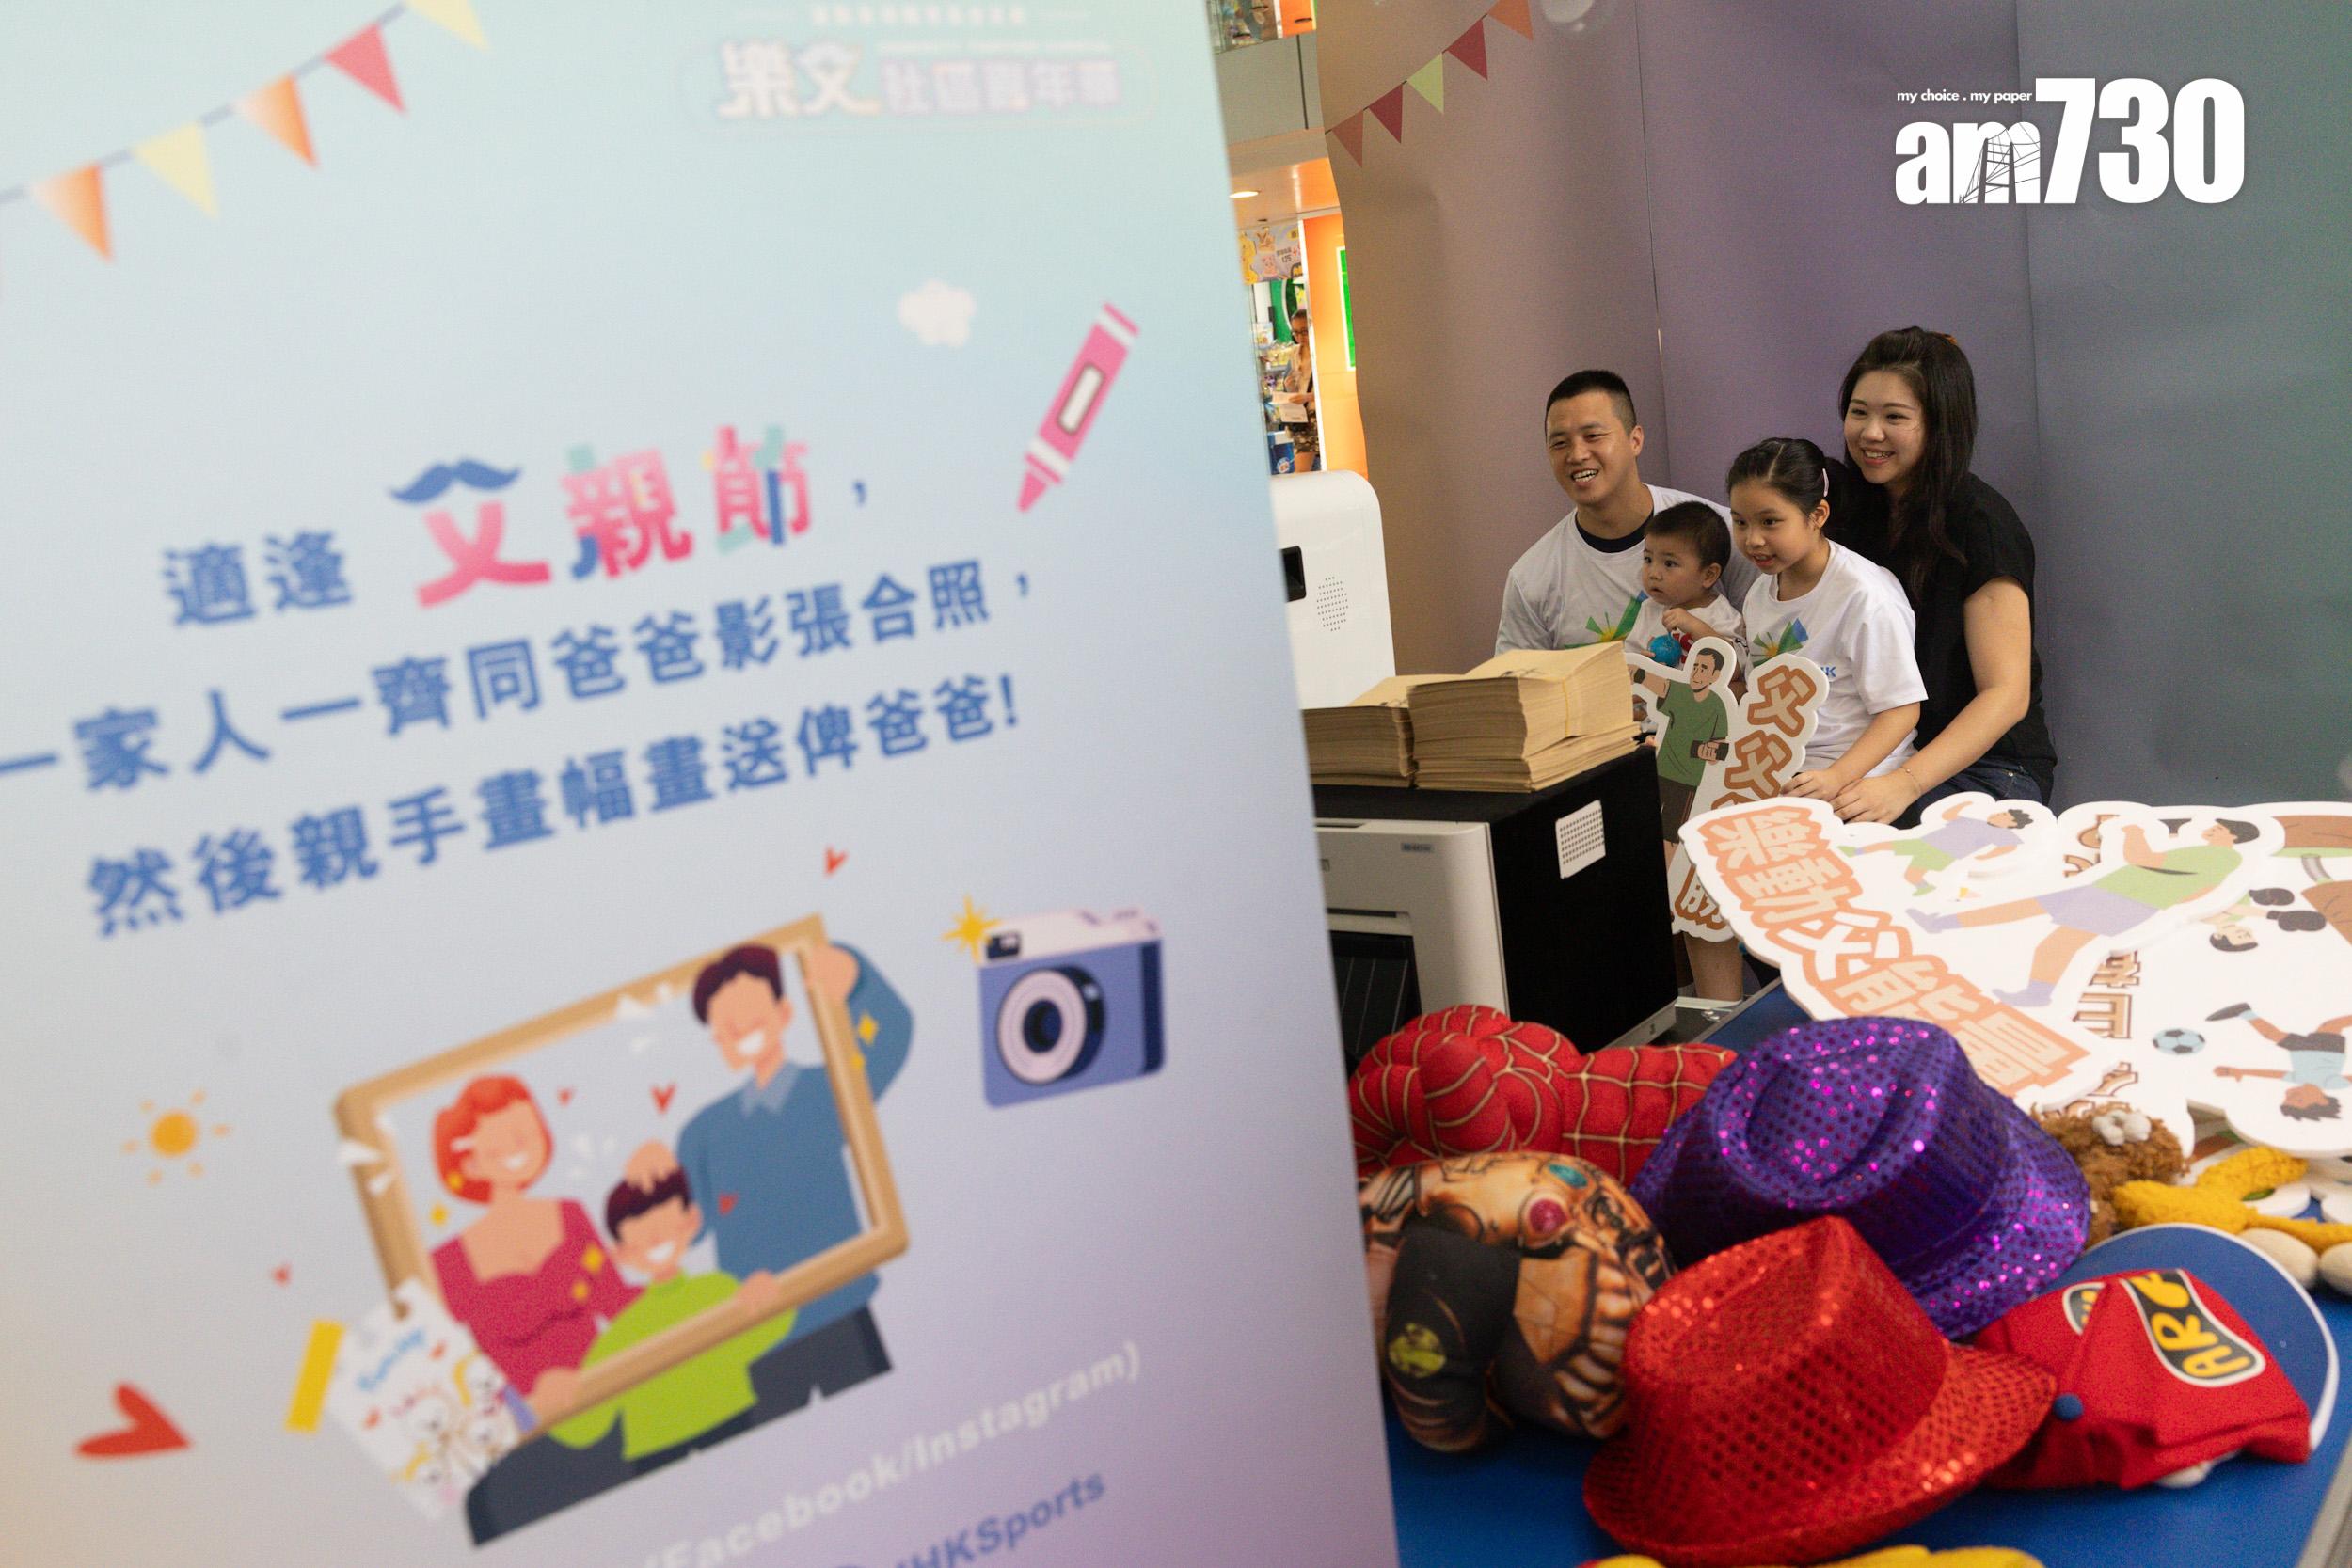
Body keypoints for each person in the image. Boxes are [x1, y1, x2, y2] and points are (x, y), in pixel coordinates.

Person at [625, 941, 913, 1414]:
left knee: (882, 1417)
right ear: (716, 1041)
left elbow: (887, 1043)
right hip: (761, 1333)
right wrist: (655, 1185)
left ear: (784, 1013)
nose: (740, 1032)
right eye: (725, 1027)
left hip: (841, 1309)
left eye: (749, 1016)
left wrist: (856, 980)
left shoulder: (822, 1093)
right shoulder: (704, 1133)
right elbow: (688, 1227)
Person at [1827, 328, 2058, 824]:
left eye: (1895, 417)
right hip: (1881, 749)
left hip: (1989, 767)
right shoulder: (1850, 507)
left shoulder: (1982, 524)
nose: (1870, 433)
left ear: (1940, 424)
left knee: (1850, 838)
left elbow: (2006, 695)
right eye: (1859, 412)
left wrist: (1902, 784)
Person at [1498, 370, 1759, 654]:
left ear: (1635, 440)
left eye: (1593, 435)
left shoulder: (1723, 533)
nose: (1577, 455)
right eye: (1560, 443)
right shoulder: (1530, 580)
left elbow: (1767, 649)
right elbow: (1519, 681)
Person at [548, 1170, 796, 1470]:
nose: (655, 1238)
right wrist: (559, 1398)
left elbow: (767, 1332)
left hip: (733, 1425)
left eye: (665, 1224)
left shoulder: (715, 1290)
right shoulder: (621, 1334)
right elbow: (587, 1427)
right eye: (640, 1235)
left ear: (691, 1220)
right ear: (621, 1254)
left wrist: (768, 1293)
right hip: (657, 1456)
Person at [1727, 436, 1925, 807]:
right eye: (1740, 522)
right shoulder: (1759, 593)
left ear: (1817, 515)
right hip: (1778, 773)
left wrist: (1836, 777)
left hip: (1858, 781)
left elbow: (1900, 711)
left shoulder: (1866, 596)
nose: (1752, 540)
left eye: (1770, 522)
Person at [429, 1075, 637, 1422]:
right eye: (498, 1142)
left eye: (526, 1132)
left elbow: (615, 1301)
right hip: (523, 1426)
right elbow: (444, 1368)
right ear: (470, 1164)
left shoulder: (570, 1215)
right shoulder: (450, 1261)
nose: (517, 1147)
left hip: (605, 1399)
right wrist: (520, 1400)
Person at [1912, 820, 2258, 1007]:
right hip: (2116, 891)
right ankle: (1938, 923)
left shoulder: (2221, 857)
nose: (2211, 828)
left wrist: (2134, 833)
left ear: (2233, 835)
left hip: (2125, 898)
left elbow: (2143, 860)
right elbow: (2192, 887)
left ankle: (2037, 995)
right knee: (2021, 908)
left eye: (2219, 828)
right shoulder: (2215, 857)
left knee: (2057, 943)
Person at [1630, 643, 1741, 1000]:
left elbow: (1722, 746)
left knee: (1670, 838)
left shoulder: (1717, 705)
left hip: (1688, 782)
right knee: (1645, 832)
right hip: (1658, 772)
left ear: (1716, 675)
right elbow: (1652, 681)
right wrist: (1631, 670)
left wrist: (1707, 750)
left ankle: (1664, 893)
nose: (1697, 673)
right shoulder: (1679, 692)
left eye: (1704, 669)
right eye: (1695, 667)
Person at [1625, 501, 1747, 672]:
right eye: (1648, 559)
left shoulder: (1721, 615)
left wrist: (1695, 627)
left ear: (1708, 575)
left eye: (1669, 563)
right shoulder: (1649, 608)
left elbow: (1736, 668)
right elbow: (1629, 661)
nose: (1653, 573)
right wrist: (1641, 663)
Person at [2209, 1002, 2352, 1123]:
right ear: (2322, 1101)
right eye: (2299, 1100)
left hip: (2300, 1050)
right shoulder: (2331, 1084)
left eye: (2288, 1098)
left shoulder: (2298, 1079)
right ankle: (2244, 1012)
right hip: (2326, 1050)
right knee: (2331, 1024)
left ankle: (2245, 1012)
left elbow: (2275, 1074)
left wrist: (2242, 1071)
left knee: (2271, 1034)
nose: (2293, 1095)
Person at [1851, 803, 2034, 894]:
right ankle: (1855, 851)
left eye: (2004, 816)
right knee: (1888, 845)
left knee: (1911, 875)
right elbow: (1948, 816)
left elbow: (2010, 847)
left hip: (1941, 853)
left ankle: (1928, 890)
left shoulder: (1999, 834)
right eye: (2000, 812)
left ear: (2011, 824)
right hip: (1926, 841)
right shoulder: (1974, 821)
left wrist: (1985, 857)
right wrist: (1962, 805)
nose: (1998, 814)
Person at [1274, 308, 1320, 473]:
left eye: (1304, 331)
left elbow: (1331, 387)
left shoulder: (1323, 351)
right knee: (1302, 471)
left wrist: (1307, 397)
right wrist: (1291, 388)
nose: (1300, 337)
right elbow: (1293, 387)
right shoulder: (1295, 353)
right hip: (1302, 417)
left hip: (1321, 415)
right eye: (1295, 332)